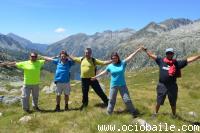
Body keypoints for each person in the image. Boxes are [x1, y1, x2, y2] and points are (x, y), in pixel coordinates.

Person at [142, 47, 200, 117]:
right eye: (168, 53)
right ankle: (155, 113)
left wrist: (198, 56)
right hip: (162, 85)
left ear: (173, 54)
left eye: (171, 53)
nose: (169, 54)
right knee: (159, 101)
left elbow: (188, 60)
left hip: (172, 86)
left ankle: (174, 115)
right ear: (166, 54)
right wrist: (146, 51)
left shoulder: (176, 63)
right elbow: (152, 55)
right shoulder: (161, 61)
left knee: (173, 102)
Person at [91, 47, 142, 117]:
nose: (114, 59)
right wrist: (95, 77)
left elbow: (130, 57)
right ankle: (108, 113)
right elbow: (104, 72)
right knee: (111, 100)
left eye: (115, 58)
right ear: (111, 59)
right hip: (113, 85)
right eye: (113, 58)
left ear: (118, 58)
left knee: (127, 100)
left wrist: (137, 50)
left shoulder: (122, 63)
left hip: (122, 85)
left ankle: (133, 112)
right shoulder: (110, 66)